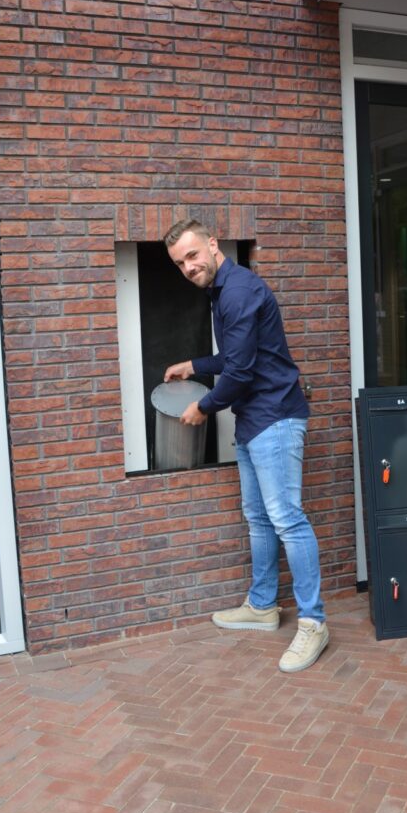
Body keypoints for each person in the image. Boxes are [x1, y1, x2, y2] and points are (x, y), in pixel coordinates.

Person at [162, 219, 328, 673]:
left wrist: (204, 407)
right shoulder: (223, 291)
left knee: (287, 519)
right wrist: (193, 365)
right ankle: (262, 606)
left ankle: (314, 622)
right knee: (259, 518)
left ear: (213, 245)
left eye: (193, 255)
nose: (188, 267)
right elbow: (237, 357)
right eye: (179, 263)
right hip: (255, 420)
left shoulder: (237, 292)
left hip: (275, 418)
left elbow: (239, 373)